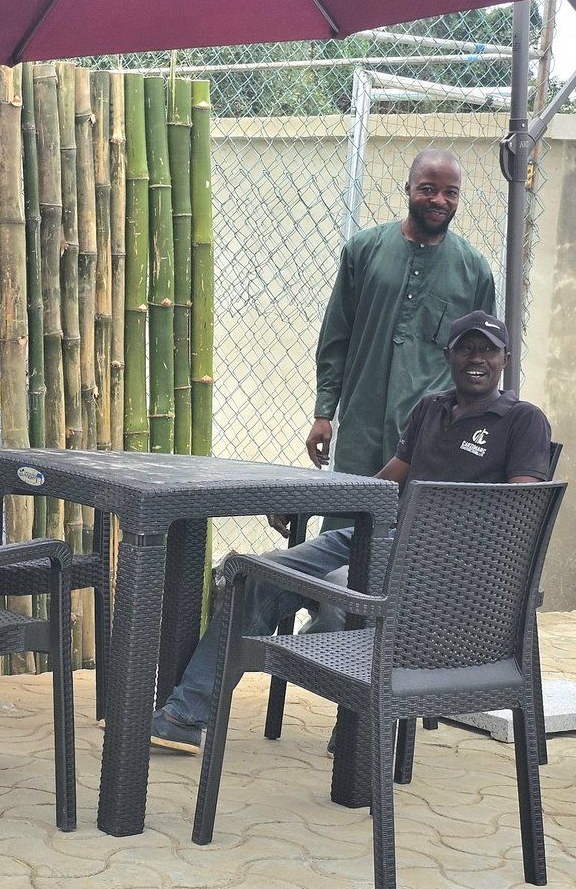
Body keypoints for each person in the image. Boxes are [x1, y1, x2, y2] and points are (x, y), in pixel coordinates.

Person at [151, 311, 552, 754]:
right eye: (467, 349)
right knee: (259, 573)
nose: (477, 359)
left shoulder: (523, 420)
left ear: (504, 359)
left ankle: (358, 737)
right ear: (448, 356)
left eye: (488, 350)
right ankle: (185, 716)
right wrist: (305, 503)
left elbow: (519, 515)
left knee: (342, 593)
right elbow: (384, 484)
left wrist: (435, 534)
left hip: (447, 565)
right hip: (383, 537)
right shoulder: (431, 408)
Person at [308, 148, 497, 483]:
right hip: (361, 426)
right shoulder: (363, 251)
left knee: (422, 515)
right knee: (352, 509)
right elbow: (336, 338)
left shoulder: (473, 270)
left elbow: (482, 359)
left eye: (450, 192)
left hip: (431, 434)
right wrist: (324, 413)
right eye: (428, 189)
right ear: (408, 188)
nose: (439, 200)